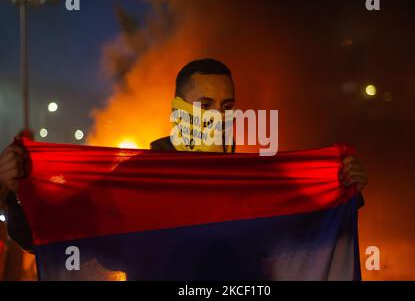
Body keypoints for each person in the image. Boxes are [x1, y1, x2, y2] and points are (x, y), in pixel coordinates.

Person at [0, 58, 368, 252]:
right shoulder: (136, 181)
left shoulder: (252, 181)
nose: (218, 116)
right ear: (179, 111)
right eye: (205, 104)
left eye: (227, 106)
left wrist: (342, 186)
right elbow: (46, 235)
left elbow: (306, 235)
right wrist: (10, 190)